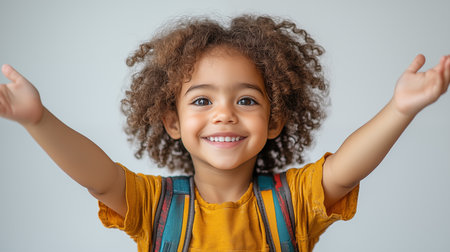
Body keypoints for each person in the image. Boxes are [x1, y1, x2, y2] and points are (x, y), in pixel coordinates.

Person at [0, 15, 448, 252]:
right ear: (172, 122)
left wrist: (400, 108)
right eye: (202, 100)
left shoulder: (293, 201)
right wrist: (38, 120)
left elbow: (346, 173)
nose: (224, 115)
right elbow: (99, 179)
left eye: (247, 100)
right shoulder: (154, 207)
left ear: (274, 121)